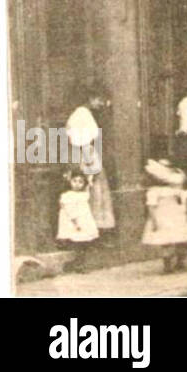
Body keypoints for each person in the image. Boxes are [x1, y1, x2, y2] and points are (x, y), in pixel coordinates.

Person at [66, 93, 115, 238]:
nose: (101, 103)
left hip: (87, 152)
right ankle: (92, 229)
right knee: (94, 190)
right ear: (91, 98)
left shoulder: (84, 113)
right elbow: (80, 139)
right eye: (99, 99)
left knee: (96, 190)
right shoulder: (82, 113)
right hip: (86, 153)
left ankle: (95, 228)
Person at [141, 158, 187, 273]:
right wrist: (154, 222)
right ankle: (167, 265)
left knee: (181, 240)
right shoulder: (154, 191)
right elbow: (151, 207)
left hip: (176, 216)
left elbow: (184, 197)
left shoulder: (174, 189)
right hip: (163, 217)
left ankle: (179, 261)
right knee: (167, 242)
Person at [56, 169, 99, 273]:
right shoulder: (68, 196)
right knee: (78, 244)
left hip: (84, 221)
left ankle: (80, 264)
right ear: (70, 181)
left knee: (84, 243)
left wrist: (90, 179)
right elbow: (69, 211)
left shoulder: (83, 195)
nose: (77, 184)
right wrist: (75, 222)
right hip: (74, 222)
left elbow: (88, 189)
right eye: (74, 181)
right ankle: (77, 265)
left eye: (80, 182)